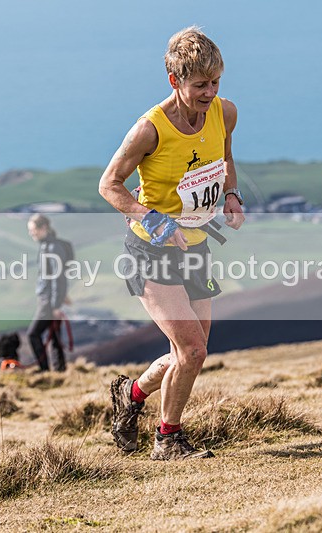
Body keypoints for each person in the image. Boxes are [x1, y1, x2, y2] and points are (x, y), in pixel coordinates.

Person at [98, 26, 245, 460]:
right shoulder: (149, 130)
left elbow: (225, 155)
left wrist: (232, 195)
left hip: (195, 245)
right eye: (200, 84)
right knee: (192, 349)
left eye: (215, 82)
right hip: (150, 251)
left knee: (190, 352)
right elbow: (109, 185)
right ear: (174, 81)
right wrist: (153, 219)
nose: (210, 92)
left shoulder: (225, 112)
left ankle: (132, 394)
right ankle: (168, 439)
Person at [26, 214, 70, 372]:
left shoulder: (52, 247)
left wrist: (56, 305)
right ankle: (60, 371)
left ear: (44, 227)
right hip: (50, 299)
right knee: (55, 336)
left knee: (33, 335)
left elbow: (58, 277)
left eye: (33, 230)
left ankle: (44, 370)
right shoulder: (46, 245)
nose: (32, 234)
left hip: (48, 301)